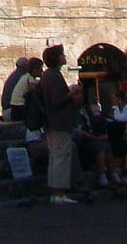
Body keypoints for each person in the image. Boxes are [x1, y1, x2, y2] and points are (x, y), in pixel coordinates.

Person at [39, 44, 79, 205]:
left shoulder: (47, 75)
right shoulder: (54, 76)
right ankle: (59, 192)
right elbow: (56, 100)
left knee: (56, 157)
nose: (65, 57)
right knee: (61, 157)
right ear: (56, 58)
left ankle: (56, 192)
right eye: (62, 54)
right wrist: (72, 93)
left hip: (52, 123)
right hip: (59, 122)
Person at [75, 93, 111, 186]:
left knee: (110, 145)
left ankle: (113, 173)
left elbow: (95, 123)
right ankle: (102, 176)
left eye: (80, 95)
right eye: (77, 95)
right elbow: (79, 131)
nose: (80, 97)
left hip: (92, 135)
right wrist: (95, 138)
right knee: (100, 147)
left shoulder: (86, 110)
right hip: (83, 141)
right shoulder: (72, 112)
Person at [9, 57, 43, 121]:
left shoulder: (25, 76)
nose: (42, 71)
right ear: (35, 69)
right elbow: (33, 92)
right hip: (20, 108)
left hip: (15, 108)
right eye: (40, 68)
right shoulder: (30, 78)